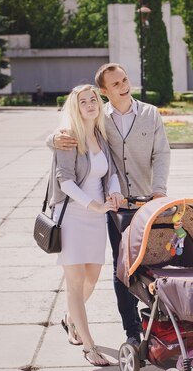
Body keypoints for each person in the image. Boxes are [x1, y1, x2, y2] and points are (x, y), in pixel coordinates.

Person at [47, 63, 171, 347]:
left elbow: (162, 154)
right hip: (115, 207)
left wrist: (159, 191)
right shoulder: (103, 120)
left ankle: (159, 323)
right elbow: (70, 134)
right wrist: (52, 139)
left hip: (148, 202)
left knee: (154, 265)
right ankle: (132, 331)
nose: (124, 86)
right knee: (121, 268)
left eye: (125, 80)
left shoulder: (150, 114)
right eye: (115, 84)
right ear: (104, 92)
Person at [48, 84, 124, 366]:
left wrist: (113, 192)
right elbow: (64, 181)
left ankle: (70, 319)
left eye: (94, 99)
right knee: (75, 283)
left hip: (97, 216)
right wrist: (93, 205)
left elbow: (111, 172)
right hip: (72, 216)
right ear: (75, 106)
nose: (90, 104)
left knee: (92, 278)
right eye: (84, 101)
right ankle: (89, 346)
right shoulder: (68, 137)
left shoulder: (99, 135)